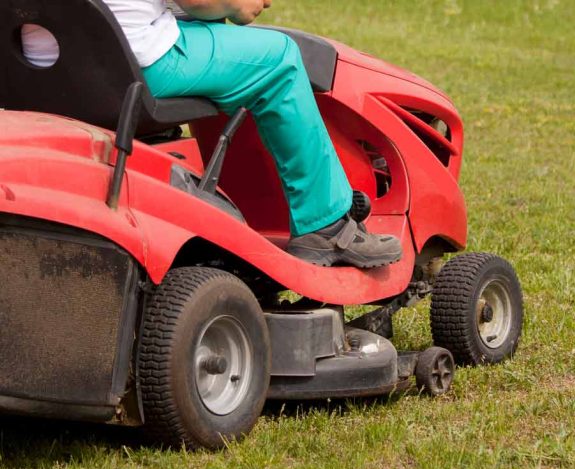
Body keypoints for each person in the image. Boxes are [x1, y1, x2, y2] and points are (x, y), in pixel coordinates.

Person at [21, 0, 402, 269]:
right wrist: (237, 5)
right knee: (280, 58)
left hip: (41, 70)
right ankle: (326, 224)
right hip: (137, 66)